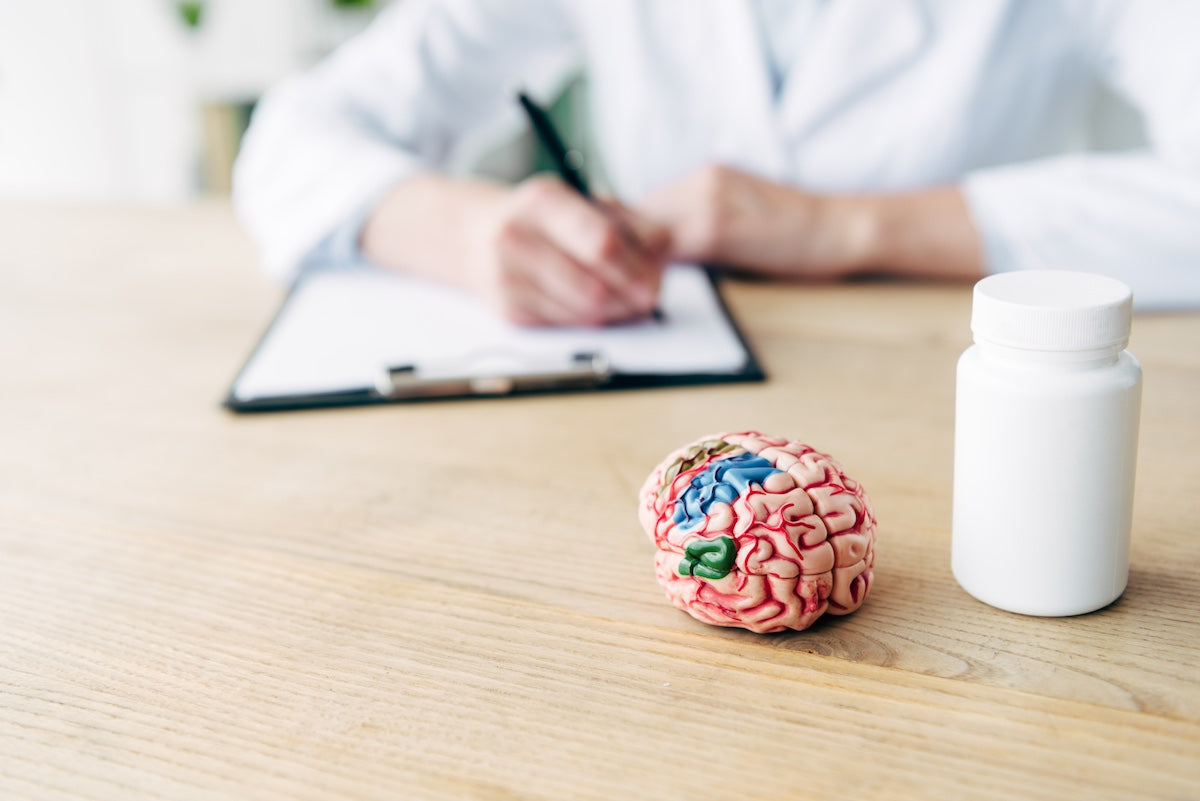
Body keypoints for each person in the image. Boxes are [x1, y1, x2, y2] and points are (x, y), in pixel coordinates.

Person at [233, 0, 1200, 325]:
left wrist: (847, 227)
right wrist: (477, 232)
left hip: (952, 385)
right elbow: (295, 136)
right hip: (659, 407)